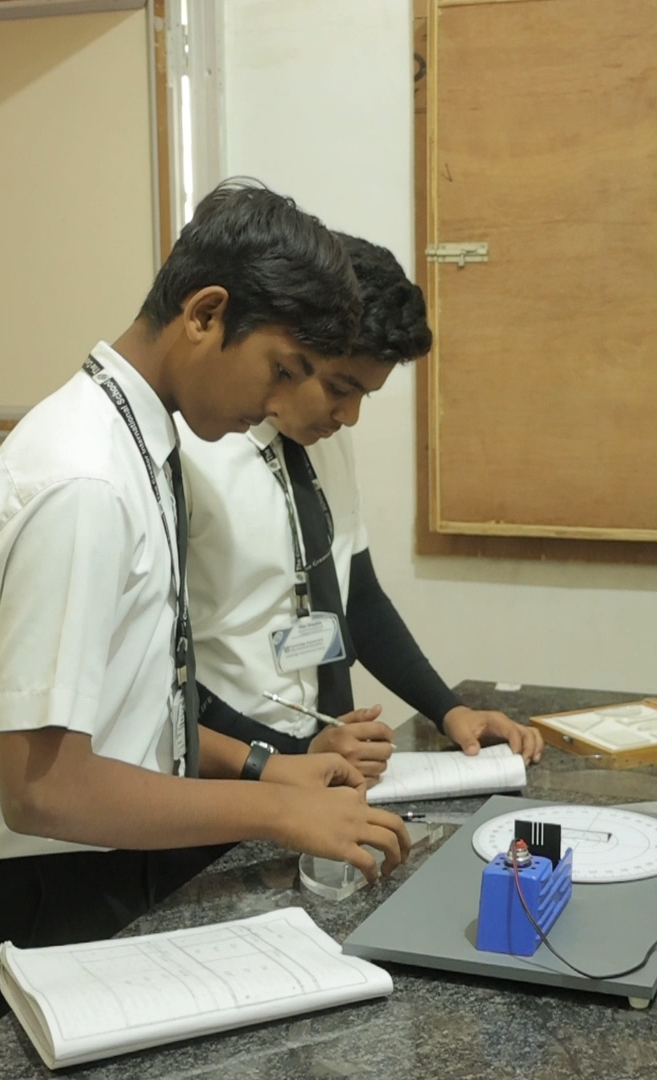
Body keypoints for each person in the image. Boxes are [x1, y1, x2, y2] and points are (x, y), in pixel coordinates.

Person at [0, 181, 412, 1064]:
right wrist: (276, 810)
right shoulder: (83, 483)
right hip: (23, 892)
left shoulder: (140, 444)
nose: (282, 402)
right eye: (283, 369)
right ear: (205, 314)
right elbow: (44, 787)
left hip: (91, 862)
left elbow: (137, 708)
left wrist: (274, 769)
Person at [179, 233, 543, 780]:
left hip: (319, 761)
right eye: (338, 388)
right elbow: (163, 679)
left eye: (363, 396)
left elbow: (359, 598)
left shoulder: (327, 442)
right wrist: (286, 758)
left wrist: (449, 710)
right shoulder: (194, 450)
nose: (349, 416)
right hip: (233, 772)